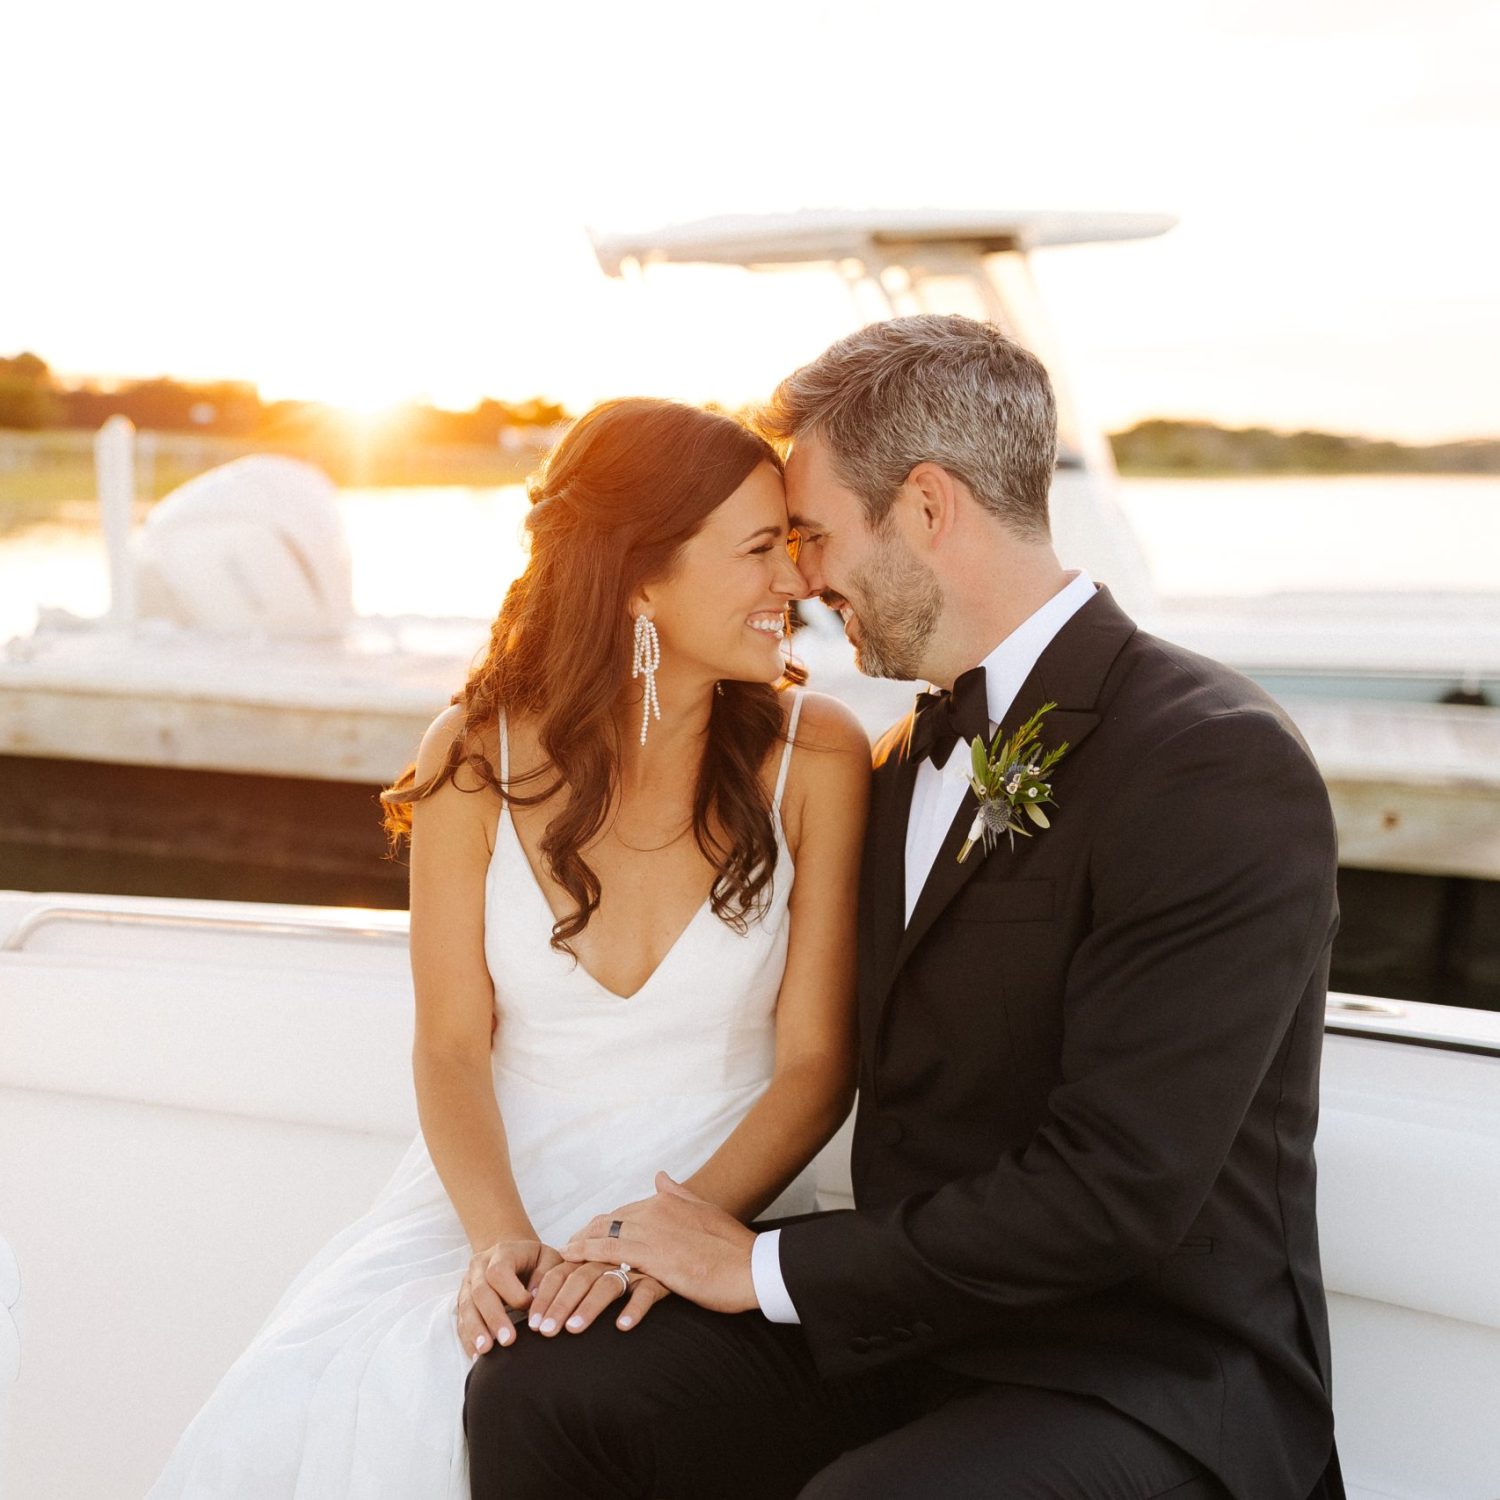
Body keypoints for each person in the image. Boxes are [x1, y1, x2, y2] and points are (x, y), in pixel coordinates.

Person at [464, 317, 1346, 1500]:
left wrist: (763, 1269)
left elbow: (1120, 1190)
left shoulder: (1209, 761)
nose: (805, 582)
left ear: (927, 509)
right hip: (906, 1341)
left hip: (1143, 1375)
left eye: (816, 536)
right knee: (546, 1386)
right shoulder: (887, 765)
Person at [146, 398, 871, 1498]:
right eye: (761, 549)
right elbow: (449, 1047)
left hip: (716, 1193)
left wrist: (673, 1237)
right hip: (494, 1203)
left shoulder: (816, 757)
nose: (796, 583)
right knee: (359, 1392)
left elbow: (816, 1068)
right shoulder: (470, 758)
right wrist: (500, 1244)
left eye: (792, 546)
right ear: (639, 575)